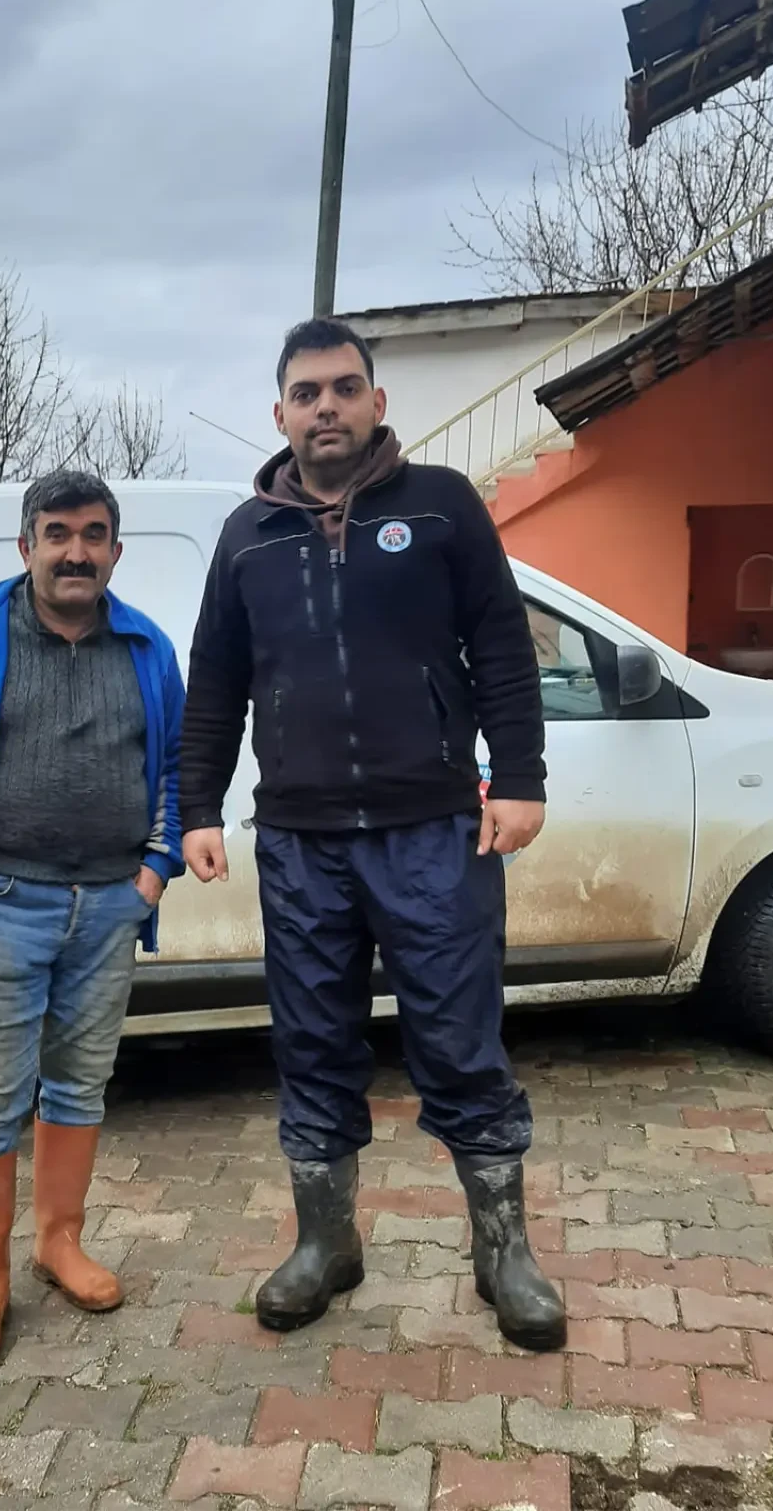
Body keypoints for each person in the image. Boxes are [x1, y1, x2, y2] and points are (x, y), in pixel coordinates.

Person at [178, 319, 565, 1352]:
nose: (326, 407)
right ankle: (325, 1244)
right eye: (306, 393)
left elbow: (500, 646)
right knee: (311, 1042)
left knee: (458, 1038)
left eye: (344, 387)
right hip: (301, 843)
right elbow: (214, 682)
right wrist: (196, 808)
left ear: (375, 402)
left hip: (432, 829)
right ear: (280, 415)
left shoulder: (440, 507)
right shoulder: (244, 536)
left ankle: (502, 1252)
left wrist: (517, 780)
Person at [0, 469, 184, 1372]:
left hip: (107, 910)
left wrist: (154, 872)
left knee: (80, 1090)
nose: (75, 551)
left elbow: (173, 768)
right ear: (27, 547)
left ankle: (59, 1244)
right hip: (3, 903)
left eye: (93, 535)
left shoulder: (148, 647)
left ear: (115, 553)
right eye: (56, 534)